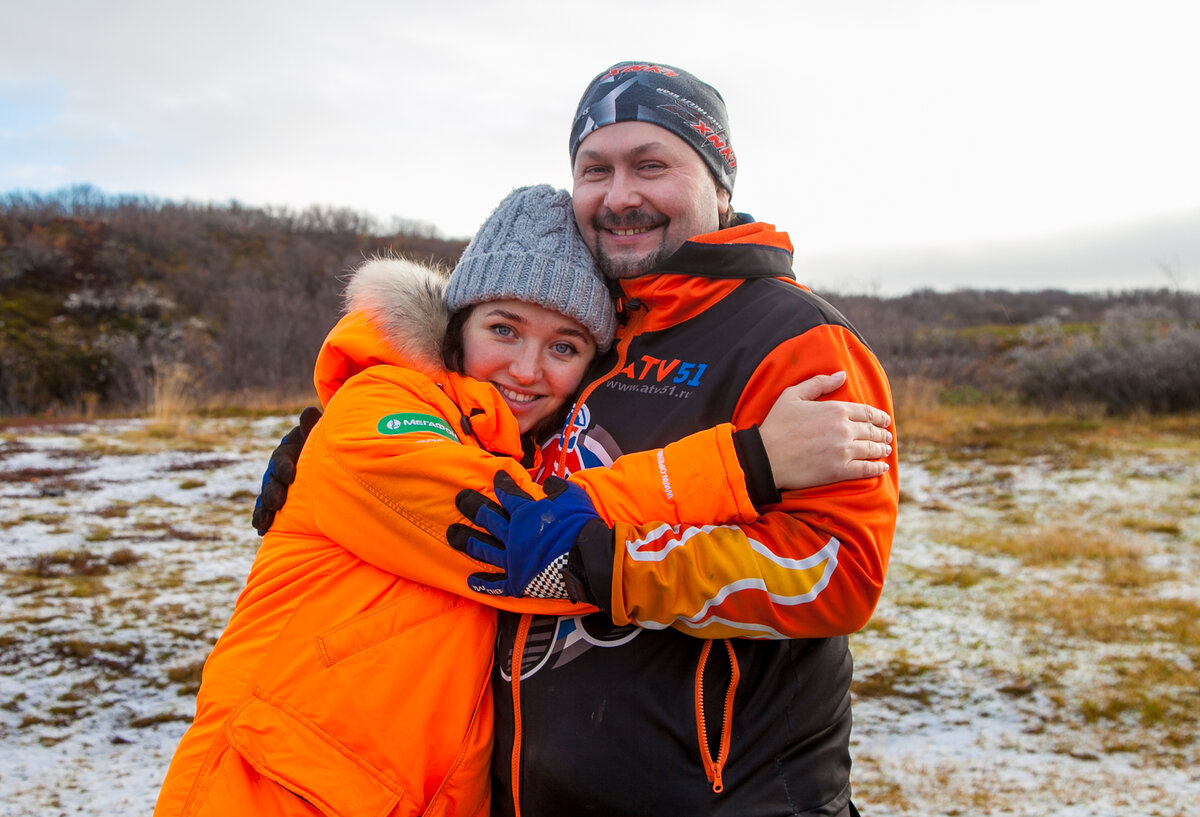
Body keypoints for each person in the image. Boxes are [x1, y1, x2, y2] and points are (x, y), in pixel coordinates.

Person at [156, 185, 893, 816]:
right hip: (276, 786)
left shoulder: (508, 442)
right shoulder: (378, 412)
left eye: (565, 346)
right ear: (455, 328)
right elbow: (527, 535)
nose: (526, 369)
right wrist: (748, 461)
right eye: (504, 329)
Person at [445, 62, 900, 816]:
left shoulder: (794, 338)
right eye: (596, 169)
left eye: (650, 165)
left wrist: (613, 567)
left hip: (731, 797)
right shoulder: (584, 328)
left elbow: (839, 571)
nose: (620, 195)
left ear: (719, 182)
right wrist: (347, 432)